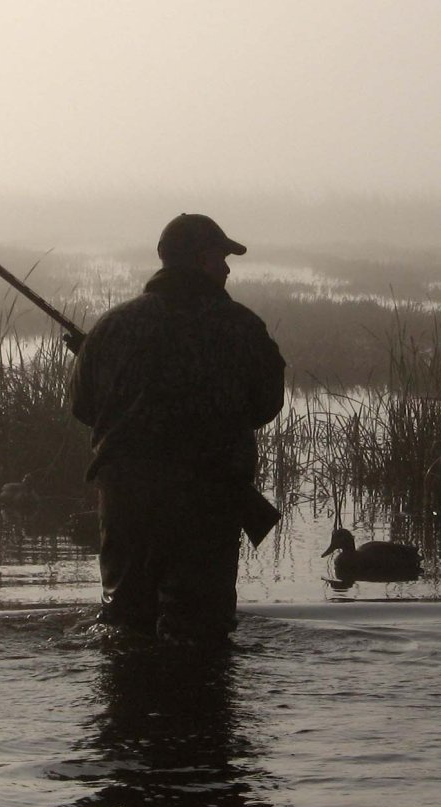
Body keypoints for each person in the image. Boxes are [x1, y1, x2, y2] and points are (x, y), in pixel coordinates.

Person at [70, 213, 286, 642]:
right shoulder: (243, 327)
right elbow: (266, 406)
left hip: (128, 501)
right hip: (208, 504)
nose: (226, 268)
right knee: (203, 631)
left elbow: (84, 407)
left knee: (123, 627)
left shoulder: (112, 327)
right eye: (221, 256)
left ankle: (129, 703)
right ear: (200, 259)